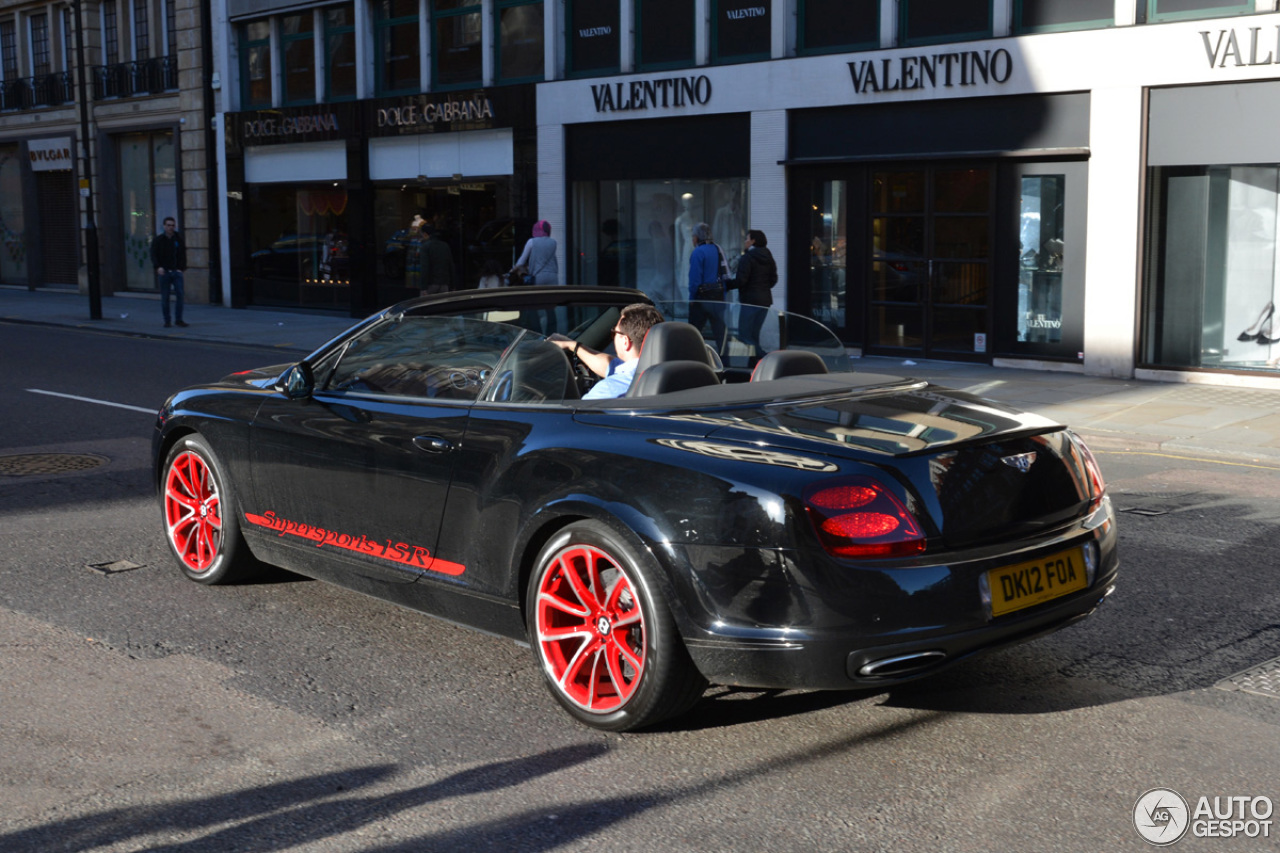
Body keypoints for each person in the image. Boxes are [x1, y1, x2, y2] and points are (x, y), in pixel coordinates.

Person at [551, 303, 664, 399]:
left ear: (625, 341)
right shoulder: (670, 373)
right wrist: (573, 346)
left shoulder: (608, 390)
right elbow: (611, 365)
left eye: (614, 332)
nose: (613, 336)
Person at [729, 229, 779, 353]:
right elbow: (774, 279)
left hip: (750, 301)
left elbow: (741, 280)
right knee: (754, 333)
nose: (745, 242)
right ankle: (754, 361)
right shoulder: (768, 256)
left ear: (753, 241)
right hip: (765, 301)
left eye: (747, 239)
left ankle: (761, 355)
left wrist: (726, 285)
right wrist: (763, 288)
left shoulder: (748, 258)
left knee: (744, 333)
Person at [687, 222, 727, 353]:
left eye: (693, 236)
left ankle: (693, 356)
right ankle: (724, 359)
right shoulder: (717, 249)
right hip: (718, 297)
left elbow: (695, 279)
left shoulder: (698, 252)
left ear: (697, 238)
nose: (692, 240)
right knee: (720, 333)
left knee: (693, 333)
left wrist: (692, 298)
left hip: (702, 298)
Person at [151, 216, 187, 328]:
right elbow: (153, 255)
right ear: (164, 226)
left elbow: (182, 254)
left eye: (172, 225)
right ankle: (167, 320)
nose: (171, 227)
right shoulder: (158, 240)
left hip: (176, 272)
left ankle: (179, 319)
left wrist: (181, 268)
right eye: (168, 225)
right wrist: (158, 267)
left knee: (180, 296)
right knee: (165, 297)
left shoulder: (178, 239)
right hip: (164, 272)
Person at [511, 220, 559, 285]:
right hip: (553, 276)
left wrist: (513, 270)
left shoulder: (531, 242)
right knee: (552, 295)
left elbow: (521, 262)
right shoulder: (553, 242)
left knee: (539, 295)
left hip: (538, 276)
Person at [420, 223, 456, 294]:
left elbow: (425, 268)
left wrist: (423, 287)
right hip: (444, 283)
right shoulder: (445, 246)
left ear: (425, 234)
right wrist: (453, 285)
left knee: (426, 304)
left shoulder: (425, 246)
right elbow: (451, 266)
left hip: (431, 283)